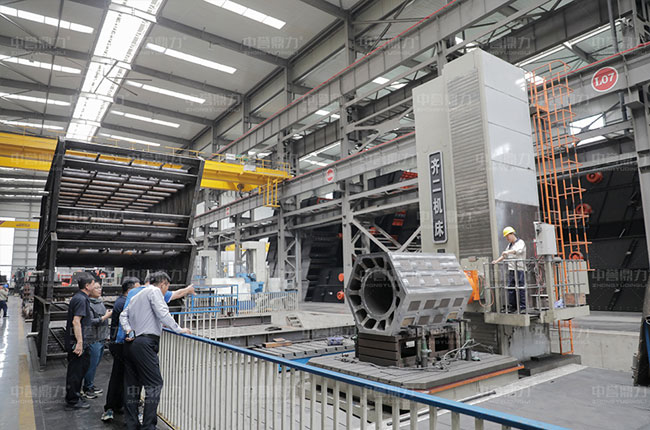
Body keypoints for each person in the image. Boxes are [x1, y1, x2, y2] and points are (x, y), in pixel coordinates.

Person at [120, 272, 191, 430]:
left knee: (132, 385)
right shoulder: (155, 291)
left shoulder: (136, 296)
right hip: (145, 344)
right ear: (163, 283)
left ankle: (131, 424)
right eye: (167, 287)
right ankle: (148, 426)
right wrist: (179, 329)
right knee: (154, 384)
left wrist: (128, 330)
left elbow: (123, 316)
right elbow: (162, 313)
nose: (166, 291)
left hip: (132, 343)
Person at [101, 277, 140, 422]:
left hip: (119, 344)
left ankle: (117, 405)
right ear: (130, 290)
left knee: (120, 375)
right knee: (119, 376)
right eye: (137, 288)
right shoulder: (124, 303)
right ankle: (111, 407)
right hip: (120, 345)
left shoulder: (121, 301)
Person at [64, 272, 98, 409]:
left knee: (80, 370)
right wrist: (79, 343)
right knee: (75, 372)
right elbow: (76, 321)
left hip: (80, 341)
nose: (96, 286)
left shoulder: (81, 298)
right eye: (94, 284)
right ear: (87, 286)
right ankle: (72, 400)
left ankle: (75, 396)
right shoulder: (81, 299)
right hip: (77, 342)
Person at [81, 281, 112, 399]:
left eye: (100, 288)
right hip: (93, 339)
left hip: (101, 337)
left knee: (95, 363)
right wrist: (104, 317)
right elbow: (89, 322)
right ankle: (87, 388)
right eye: (97, 288)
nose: (100, 290)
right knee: (91, 364)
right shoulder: (88, 304)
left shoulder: (99, 302)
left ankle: (90, 384)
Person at [493, 226, 527, 312]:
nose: (507, 238)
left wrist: (508, 252)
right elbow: (504, 255)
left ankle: (522, 307)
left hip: (520, 269)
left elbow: (518, 251)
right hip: (512, 269)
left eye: (507, 236)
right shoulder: (509, 245)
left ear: (512, 234)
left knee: (520, 288)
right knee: (511, 288)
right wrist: (496, 261)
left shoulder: (520, 243)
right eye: (506, 237)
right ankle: (513, 307)